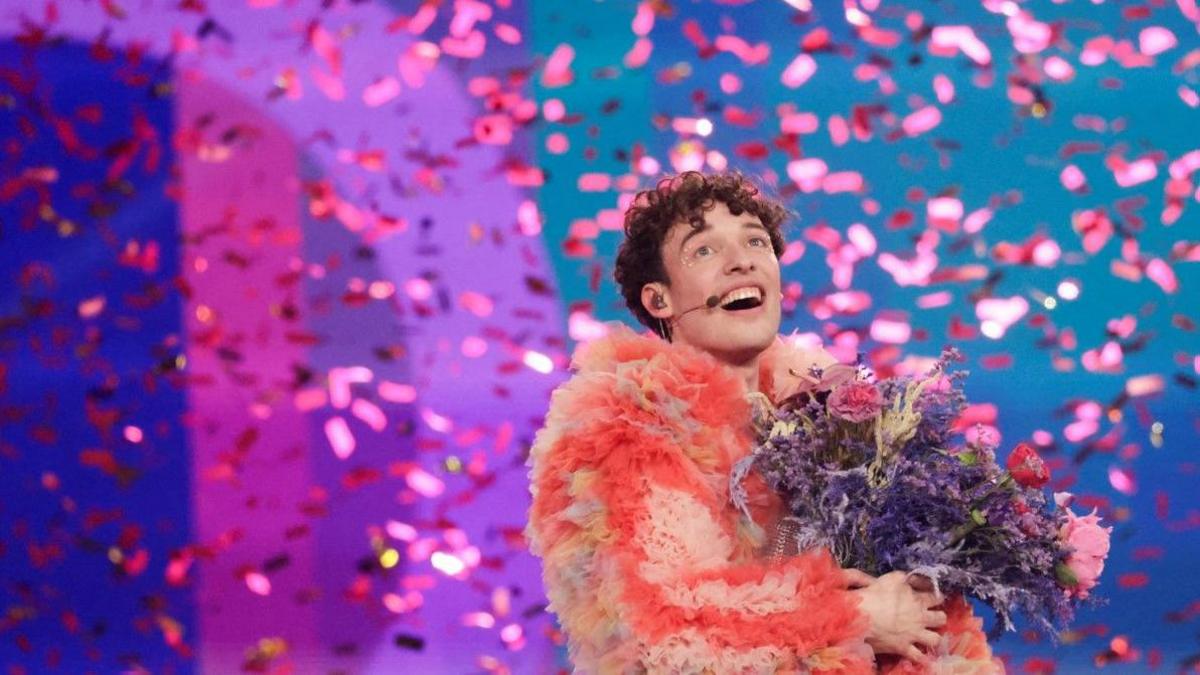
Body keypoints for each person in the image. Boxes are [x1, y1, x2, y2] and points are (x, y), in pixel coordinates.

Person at [526, 172, 1000, 673]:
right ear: (660, 300)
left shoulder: (833, 418)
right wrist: (853, 616)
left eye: (756, 241)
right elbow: (663, 623)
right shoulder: (626, 427)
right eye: (703, 251)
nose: (742, 260)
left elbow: (907, 599)